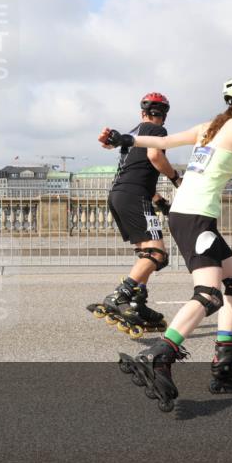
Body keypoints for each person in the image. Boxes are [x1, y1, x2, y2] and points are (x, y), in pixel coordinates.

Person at [98, 75, 232, 412]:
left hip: (187, 214)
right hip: (196, 217)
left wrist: (121, 138)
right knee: (209, 294)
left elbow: (156, 142)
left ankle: (227, 360)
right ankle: (159, 355)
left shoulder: (210, 126)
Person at [87, 92, 182, 339]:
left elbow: (139, 172)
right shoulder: (156, 131)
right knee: (157, 254)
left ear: (142, 112)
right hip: (134, 196)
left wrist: (160, 202)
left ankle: (137, 302)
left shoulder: (134, 134)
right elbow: (154, 157)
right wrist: (175, 178)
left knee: (147, 254)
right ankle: (120, 295)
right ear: (165, 114)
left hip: (122, 194)